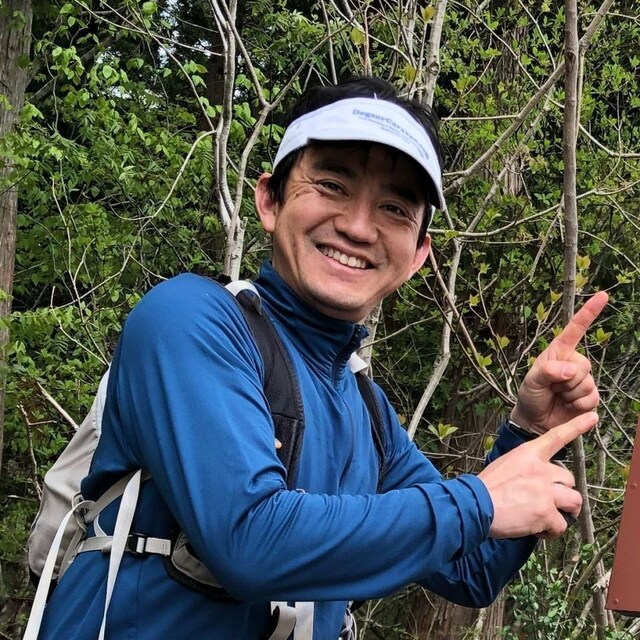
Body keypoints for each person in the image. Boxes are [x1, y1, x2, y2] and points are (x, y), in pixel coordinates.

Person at [37, 76, 607, 639]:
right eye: (332, 184)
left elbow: (471, 568)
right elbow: (248, 539)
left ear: (417, 255)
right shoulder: (189, 320)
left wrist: (527, 434)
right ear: (269, 199)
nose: (358, 227)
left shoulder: (367, 412)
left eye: (394, 208)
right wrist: (477, 502)